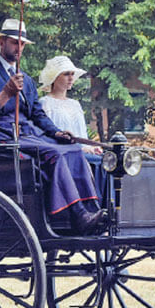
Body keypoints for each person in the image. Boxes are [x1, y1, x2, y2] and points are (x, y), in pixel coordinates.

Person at [0, 18, 107, 235]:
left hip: (30, 136)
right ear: (1, 42)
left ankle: (91, 211)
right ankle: (78, 215)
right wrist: (5, 94)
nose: (19, 48)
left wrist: (56, 132)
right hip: (1, 138)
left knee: (73, 150)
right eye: (14, 42)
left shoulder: (26, 81)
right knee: (54, 154)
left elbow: (38, 115)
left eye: (22, 44)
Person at [38, 56, 107, 200]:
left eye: (72, 74)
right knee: (95, 162)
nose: (71, 78)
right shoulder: (45, 103)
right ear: (54, 77)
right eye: (66, 74)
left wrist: (91, 147)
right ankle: (92, 203)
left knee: (107, 161)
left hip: (80, 151)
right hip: (61, 153)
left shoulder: (75, 104)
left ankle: (106, 205)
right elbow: (47, 136)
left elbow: (82, 135)